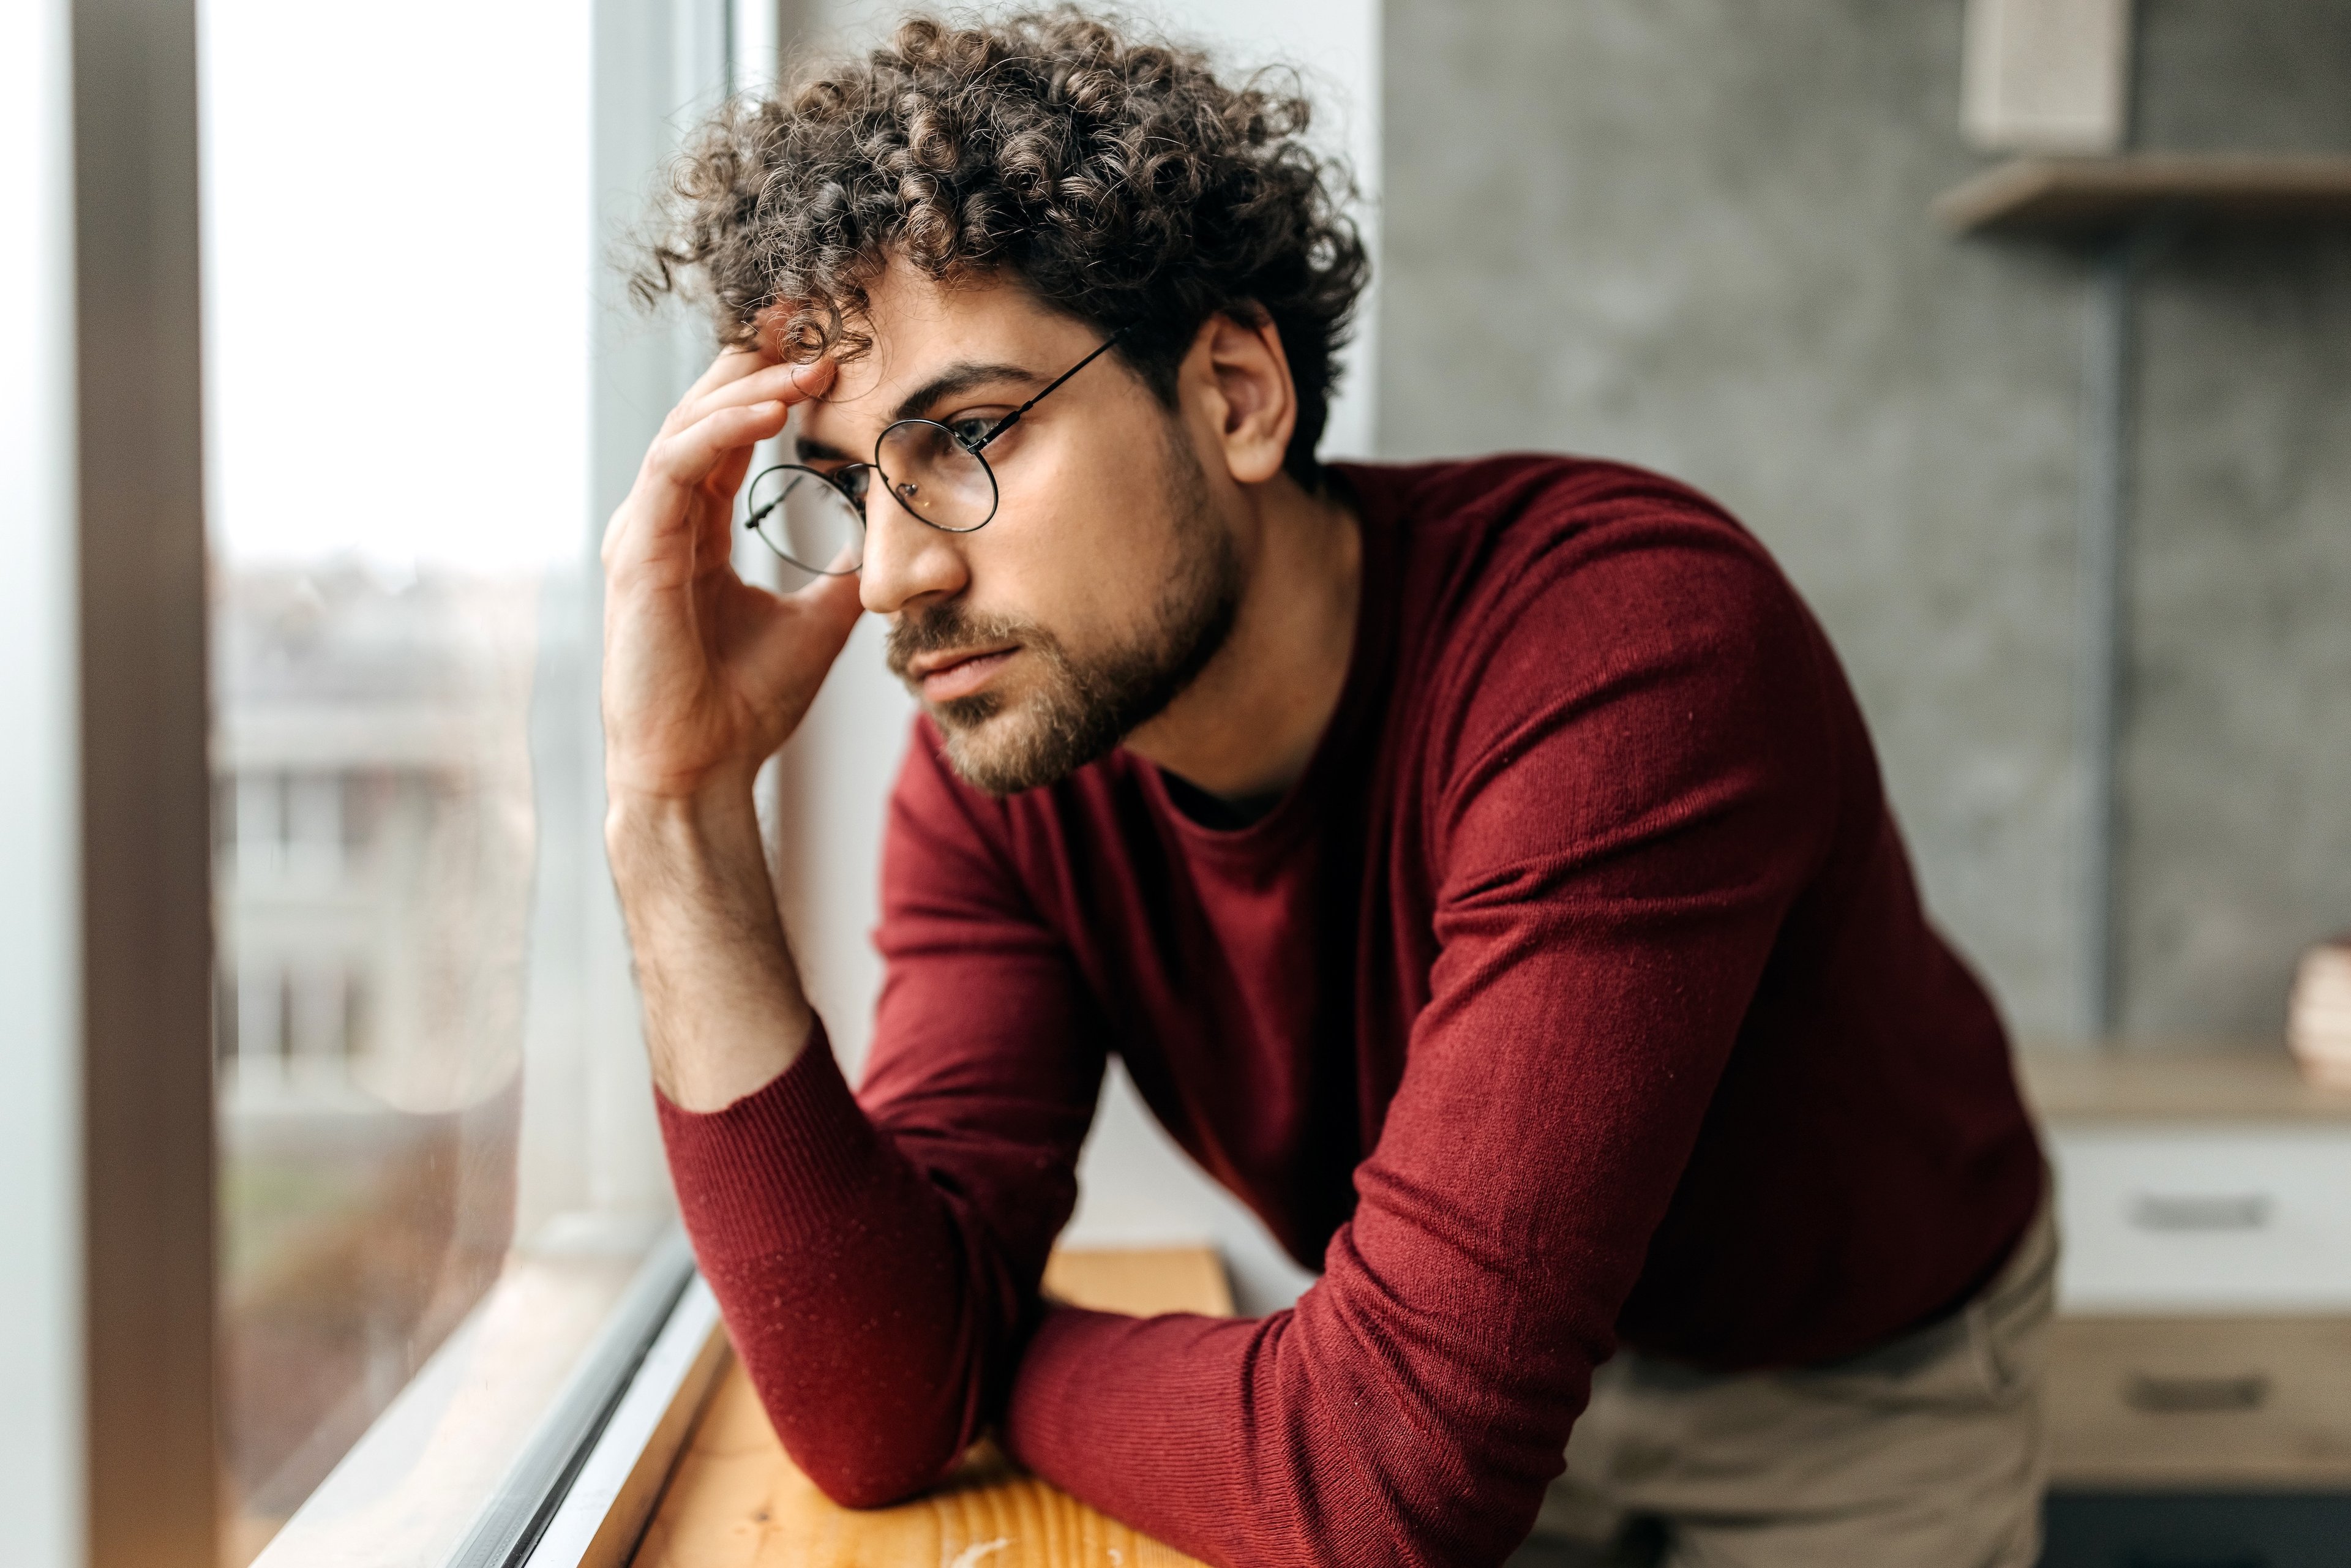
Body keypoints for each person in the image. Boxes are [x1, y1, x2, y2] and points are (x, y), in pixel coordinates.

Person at [601, 10, 2052, 1565]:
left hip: (1846, 1394)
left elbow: (1375, 1485)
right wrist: (678, 813)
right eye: (839, 487)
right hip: (1461, 1381)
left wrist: (990, 1358)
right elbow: (878, 1410)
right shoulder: (1014, 764)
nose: (893, 577)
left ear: (1234, 394)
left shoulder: (1626, 651)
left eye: (964, 435)